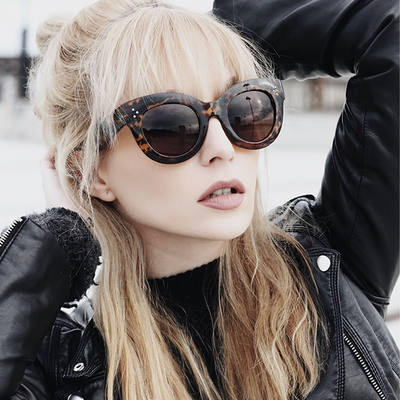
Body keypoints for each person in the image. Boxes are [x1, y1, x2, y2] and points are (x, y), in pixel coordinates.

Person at [0, 0, 398, 399]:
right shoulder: (57, 365)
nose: (222, 148)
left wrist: (208, 33)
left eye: (243, 108)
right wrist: (61, 240)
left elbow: (390, 30)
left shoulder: (329, 272)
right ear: (90, 173)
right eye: (172, 125)